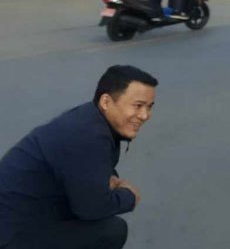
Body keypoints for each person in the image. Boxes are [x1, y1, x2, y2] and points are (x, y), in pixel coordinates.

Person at [0, 65, 157, 249]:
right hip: (11, 234)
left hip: (27, 214)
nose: (145, 115)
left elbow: (92, 182)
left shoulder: (89, 120)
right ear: (106, 102)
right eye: (137, 106)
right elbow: (93, 208)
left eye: (149, 107)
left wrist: (104, 186)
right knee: (112, 230)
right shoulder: (88, 136)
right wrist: (129, 196)